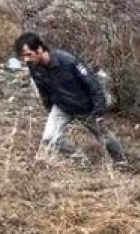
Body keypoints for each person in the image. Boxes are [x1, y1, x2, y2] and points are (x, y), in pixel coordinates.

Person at [15, 32, 126, 165]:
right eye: (23, 57)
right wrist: (49, 108)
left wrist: (99, 110)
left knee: (104, 136)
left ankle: (120, 162)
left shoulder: (68, 61)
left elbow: (92, 84)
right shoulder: (33, 67)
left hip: (85, 106)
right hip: (61, 106)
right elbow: (42, 88)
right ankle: (79, 159)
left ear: (39, 49)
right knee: (50, 139)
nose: (26, 60)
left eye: (29, 55)